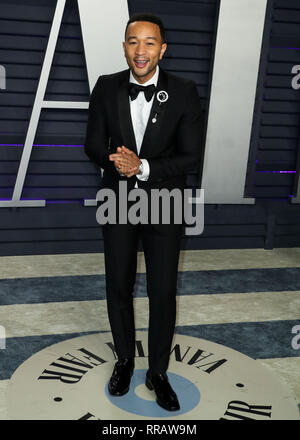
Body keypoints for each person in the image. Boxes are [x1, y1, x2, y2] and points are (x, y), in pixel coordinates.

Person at [84, 13, 204, 411]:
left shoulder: (184, 91)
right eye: (133, 42)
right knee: (118, 285)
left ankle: (157, 372)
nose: (141, 51)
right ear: (124, 46)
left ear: (162, 49)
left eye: (149, 42)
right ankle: (122, 361)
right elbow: (91, 143)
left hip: (164, 201)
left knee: (162, 292)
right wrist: (114, 159)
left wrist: (145, 168)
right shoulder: (105, 87)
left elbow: (190, 155)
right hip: (116, 199)